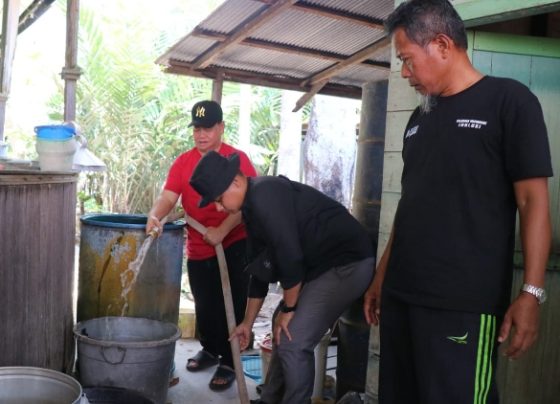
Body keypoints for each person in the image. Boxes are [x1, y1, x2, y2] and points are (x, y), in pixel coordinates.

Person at [362, 1, 553, 403]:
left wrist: (531, 292)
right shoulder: (418, 121)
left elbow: (533, 201)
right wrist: (382, 275)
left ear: (443, 45)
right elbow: (410, 207)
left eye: (408, 60)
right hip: (402, 297)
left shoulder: (509, 102)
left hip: (462, 305)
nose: (405, 73)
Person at [189, 151, 375, 404]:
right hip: (320, 268)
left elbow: (290, 256)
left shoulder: (266, 193)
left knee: (293, 338)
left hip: (348, 263)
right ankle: (270, 399)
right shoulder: (251, 209)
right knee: (281, 326)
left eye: (219, 200)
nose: (219, 208)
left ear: (235, 182)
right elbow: (260, 272)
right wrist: (247, 323)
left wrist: (290, 307)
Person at [146, 100, 257, 391]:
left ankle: (231, 361)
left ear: (221, 127)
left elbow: (249, 204)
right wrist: (155, 215)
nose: (201, 134)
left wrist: (222, 229)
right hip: (199, 244)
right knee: (206, 303)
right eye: (196, 128)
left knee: (232, 302)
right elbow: (169, 197)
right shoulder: (183, 162)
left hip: (234, 241)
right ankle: (210, 349)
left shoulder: (238, 159)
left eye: (208, 128)